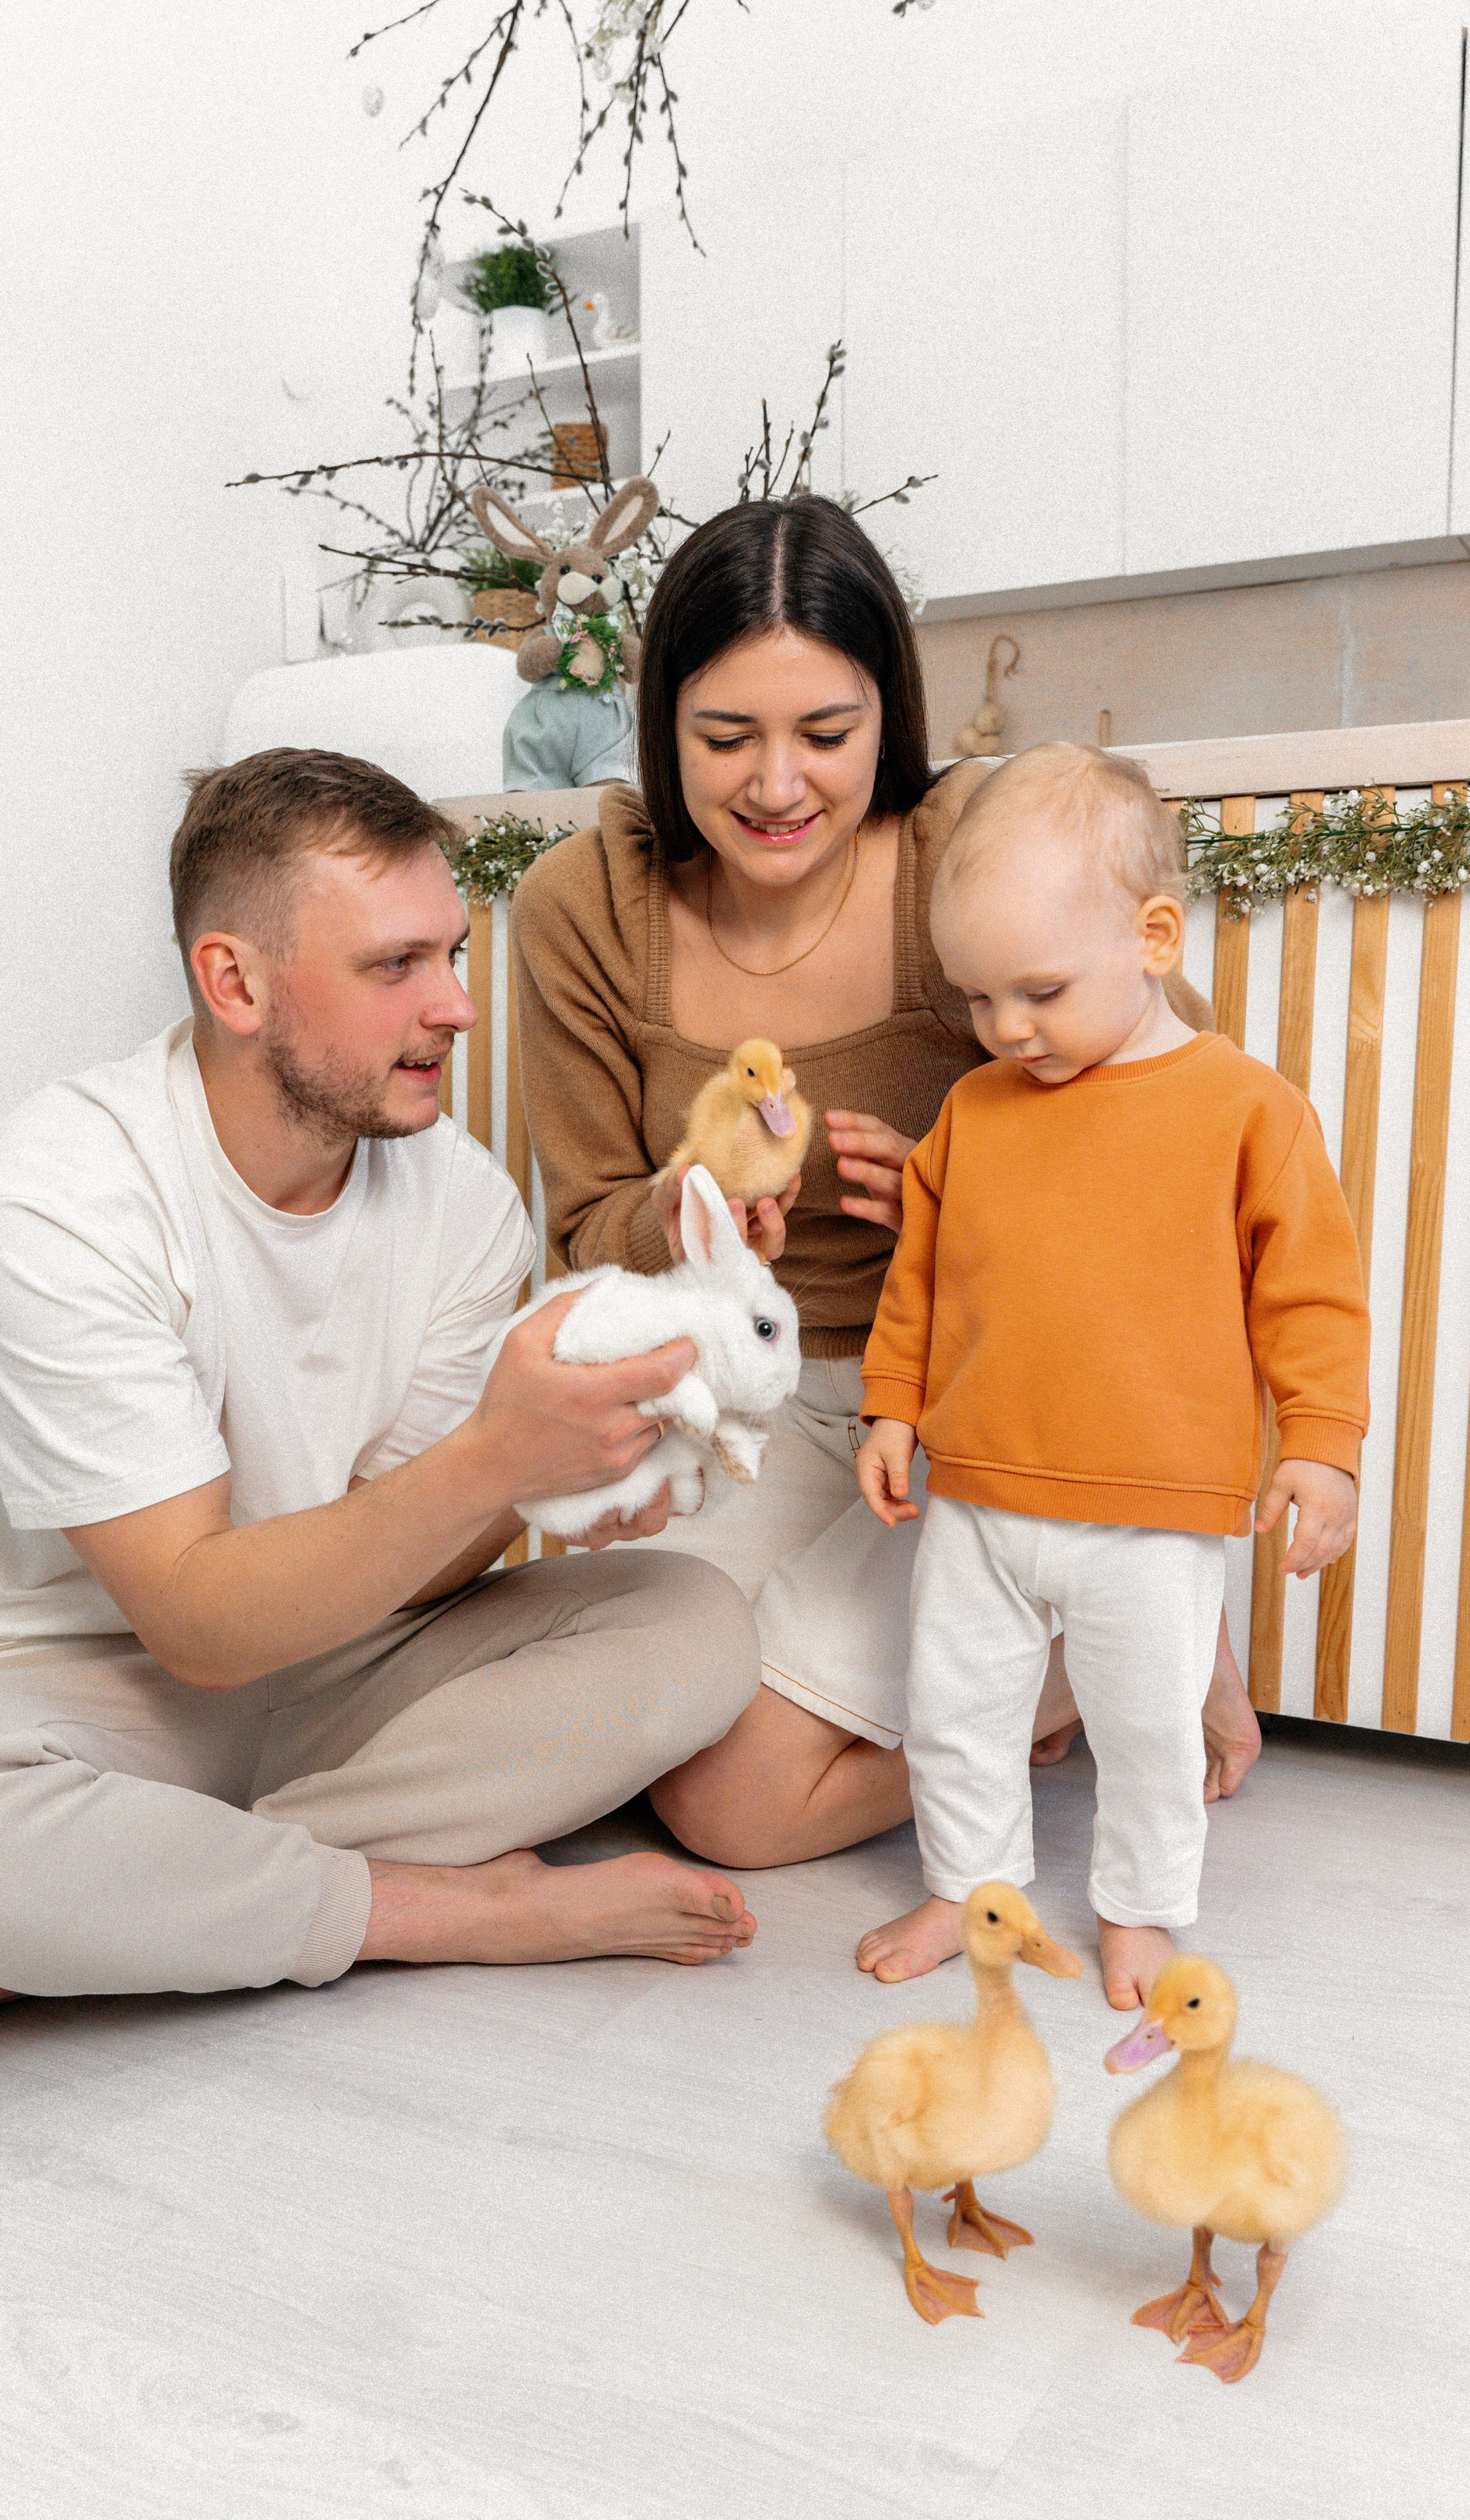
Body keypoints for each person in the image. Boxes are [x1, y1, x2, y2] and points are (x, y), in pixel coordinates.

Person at [0, 750, 765, 2047]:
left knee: (693, 1624)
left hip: (336, 1658)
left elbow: (403, 1566)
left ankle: (143, 1907)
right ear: (235, 983)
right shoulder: (50, 1211)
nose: (456, 1007)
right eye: (395, 966)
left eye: (450, 954)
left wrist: (552, 1484)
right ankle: (438, 1908)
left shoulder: (463, 1203)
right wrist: (494, 1462)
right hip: (84, 1688)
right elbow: (196, 1625)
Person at [510, 495, 1263, 1884]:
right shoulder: (586, 904)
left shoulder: (972, 850)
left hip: (984, 1411)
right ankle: (1067, 1667)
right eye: (724, 739)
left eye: (825, 734)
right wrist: (690, 1213)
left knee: (731, 1807)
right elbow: (583, 1227)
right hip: (747, 1403)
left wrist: (967, 1201)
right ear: (661, 725)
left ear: (889, 715)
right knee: (614, 1735)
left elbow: (1178, 1127)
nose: (775, 785)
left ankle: (1125, 1641)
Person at [855, 745, 1369, 2006]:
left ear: (1153, 937)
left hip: (1151, 1509)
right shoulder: (976, 1113)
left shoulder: (1245, 1109)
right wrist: (892, 1408)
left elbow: (1310, 1291)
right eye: (978, 998)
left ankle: (1140, 1909)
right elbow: (921, 1279)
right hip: (978, 1494)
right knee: (957, 1711)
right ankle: (967, 1885)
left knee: (1145, 1731)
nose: (1006, 1028)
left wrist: (1322, 1443)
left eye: (1039, 991)